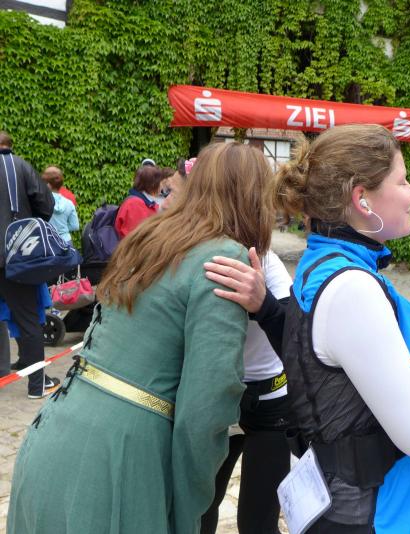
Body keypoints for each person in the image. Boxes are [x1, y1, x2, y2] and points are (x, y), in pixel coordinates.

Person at [206, 124, 410, 533]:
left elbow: (308, 352)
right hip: (372, 513)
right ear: (361, 198)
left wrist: (266, 308)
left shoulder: (319, 262)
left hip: (349, 501)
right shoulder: (351, 286)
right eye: (402, 181)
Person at [7, 141, 275, 534]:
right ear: (255, 197)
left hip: (53, 436)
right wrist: (188, 506)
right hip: (119, 460)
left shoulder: (152, 234)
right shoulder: (226, 258)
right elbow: (208, 406)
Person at [200, 254, 293, 534]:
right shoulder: (200, 255)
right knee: (200, 510)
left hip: (269, 403)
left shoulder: (267, 262)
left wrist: (264, 303)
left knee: (257, 524)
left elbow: (295, 335)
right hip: (216, 397)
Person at [0, 131, 59, 399]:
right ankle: (37, 386)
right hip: (13, 258)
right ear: (9, 146)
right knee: (28, 321)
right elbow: (46, 205)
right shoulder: (19, 166)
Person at [114, 164, 162, 238]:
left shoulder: (145, 202)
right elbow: (133, 239)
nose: (161, 186)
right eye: (160, 182)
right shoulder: (135, 205)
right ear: (153, 184)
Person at [41, 166, 79, 244]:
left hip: (47, 241)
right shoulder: (69, 203)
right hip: (66, 242)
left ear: (48, 185)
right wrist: (63, 229)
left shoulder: (41, 202)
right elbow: (75, 226)